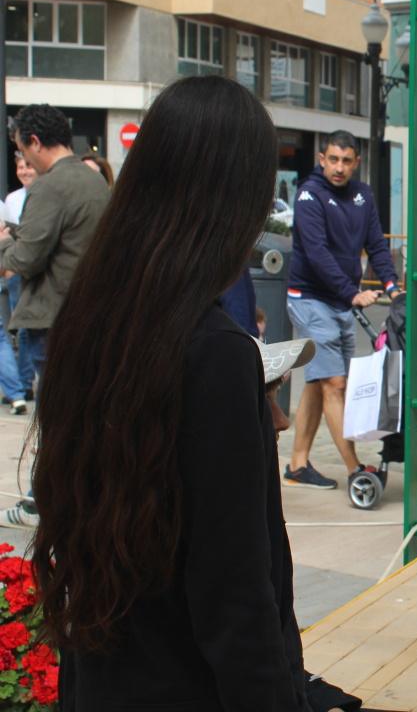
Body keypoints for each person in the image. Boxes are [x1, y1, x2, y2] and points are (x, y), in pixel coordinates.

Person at [29, 75, 311, 709]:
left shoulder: (92, 319)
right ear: (235, 201)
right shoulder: (213, 351)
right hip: (189, 684)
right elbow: (235, 592)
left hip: (102, 676)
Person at [285, 131, 401, 491]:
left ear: (356, 162)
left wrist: (393, 287)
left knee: (321, 382)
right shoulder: (309, 195)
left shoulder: (362, 195)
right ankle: (355, 469)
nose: (338, 167)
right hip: (310, 297)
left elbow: (376, 246)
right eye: (332, 159)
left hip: (339, 301)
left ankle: (298, 463)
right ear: (322, 159)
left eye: (346, 160)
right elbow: (317, 253)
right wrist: (353, 293)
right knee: (335, 382)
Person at [0, 104, 109, 385]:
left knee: (56, 416)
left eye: (22, 150)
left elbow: (25, 259)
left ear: (34, 141)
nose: (24, 160)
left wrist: (3, 243)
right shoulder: (95, 182)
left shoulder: (49, 186)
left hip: (53, 320)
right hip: (89, 314)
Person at [4, 154, 37, 403]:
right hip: (15, 272)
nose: (24, 171)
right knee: (21, 330)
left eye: (28, 166)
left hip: (33, 270)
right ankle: (23, 385)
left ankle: (21, 386)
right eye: (20, 167)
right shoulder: (13, 199)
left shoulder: (46, 193)